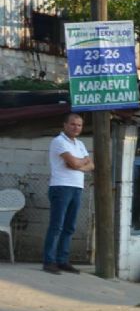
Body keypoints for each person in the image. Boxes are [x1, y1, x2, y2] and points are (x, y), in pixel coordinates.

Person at [43, 112, 93, 274]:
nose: (76, 127)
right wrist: (78, 163)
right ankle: (49, 262)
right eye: (73, 124)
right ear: (65, 125)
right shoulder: (58, 141)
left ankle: (62, 261)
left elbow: (90, 165)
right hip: (61, 187)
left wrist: (79, 165)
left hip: (76, 188)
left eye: (79, 125)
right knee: (56, 226)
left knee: (69, 227)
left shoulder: (80, 144)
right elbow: (72, 162)